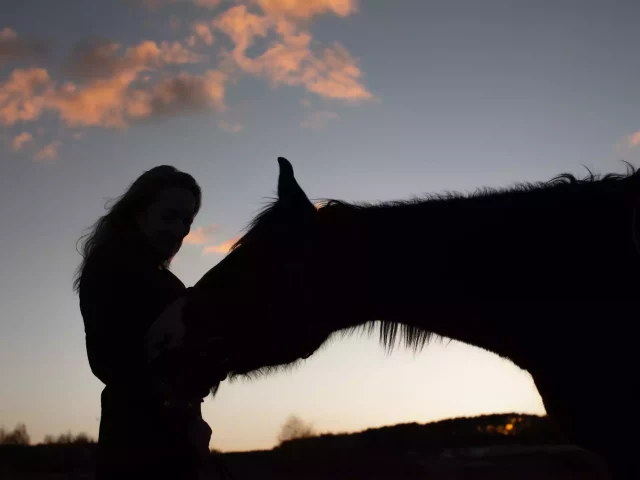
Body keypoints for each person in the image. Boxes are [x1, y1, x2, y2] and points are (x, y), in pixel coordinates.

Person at [73, 165, 225, 480]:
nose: (179, 230)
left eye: (186, 221)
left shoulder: (168, 283)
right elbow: (109, 361)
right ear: (138, 213)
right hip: (136, 445)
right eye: (169, 216)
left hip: (176, 439)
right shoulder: (110, 268)